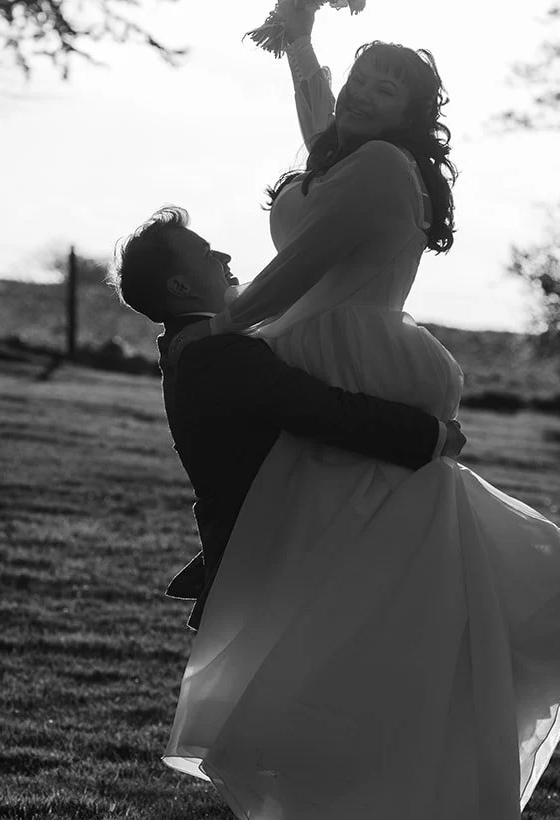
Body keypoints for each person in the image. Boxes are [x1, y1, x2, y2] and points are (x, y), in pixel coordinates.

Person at [111, 1, 560, 820]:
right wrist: (307, 29)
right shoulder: (341, 154)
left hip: (342, 360)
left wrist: (230, 323)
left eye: (386, 91)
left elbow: (297, 258)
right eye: (361, 85)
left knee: (421, 539)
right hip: (329, 381)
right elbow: (315, 111)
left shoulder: (367, 179)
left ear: (416, 113)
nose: (361, 100)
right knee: (403, 573)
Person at [108, 205, 467, 633]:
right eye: (206, 254)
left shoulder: (199, 344)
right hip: (271, 547)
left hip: (277, 538)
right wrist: (431, 435)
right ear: (180, 284)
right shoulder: (213, 354)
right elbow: (321, 411)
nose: (223, 256)